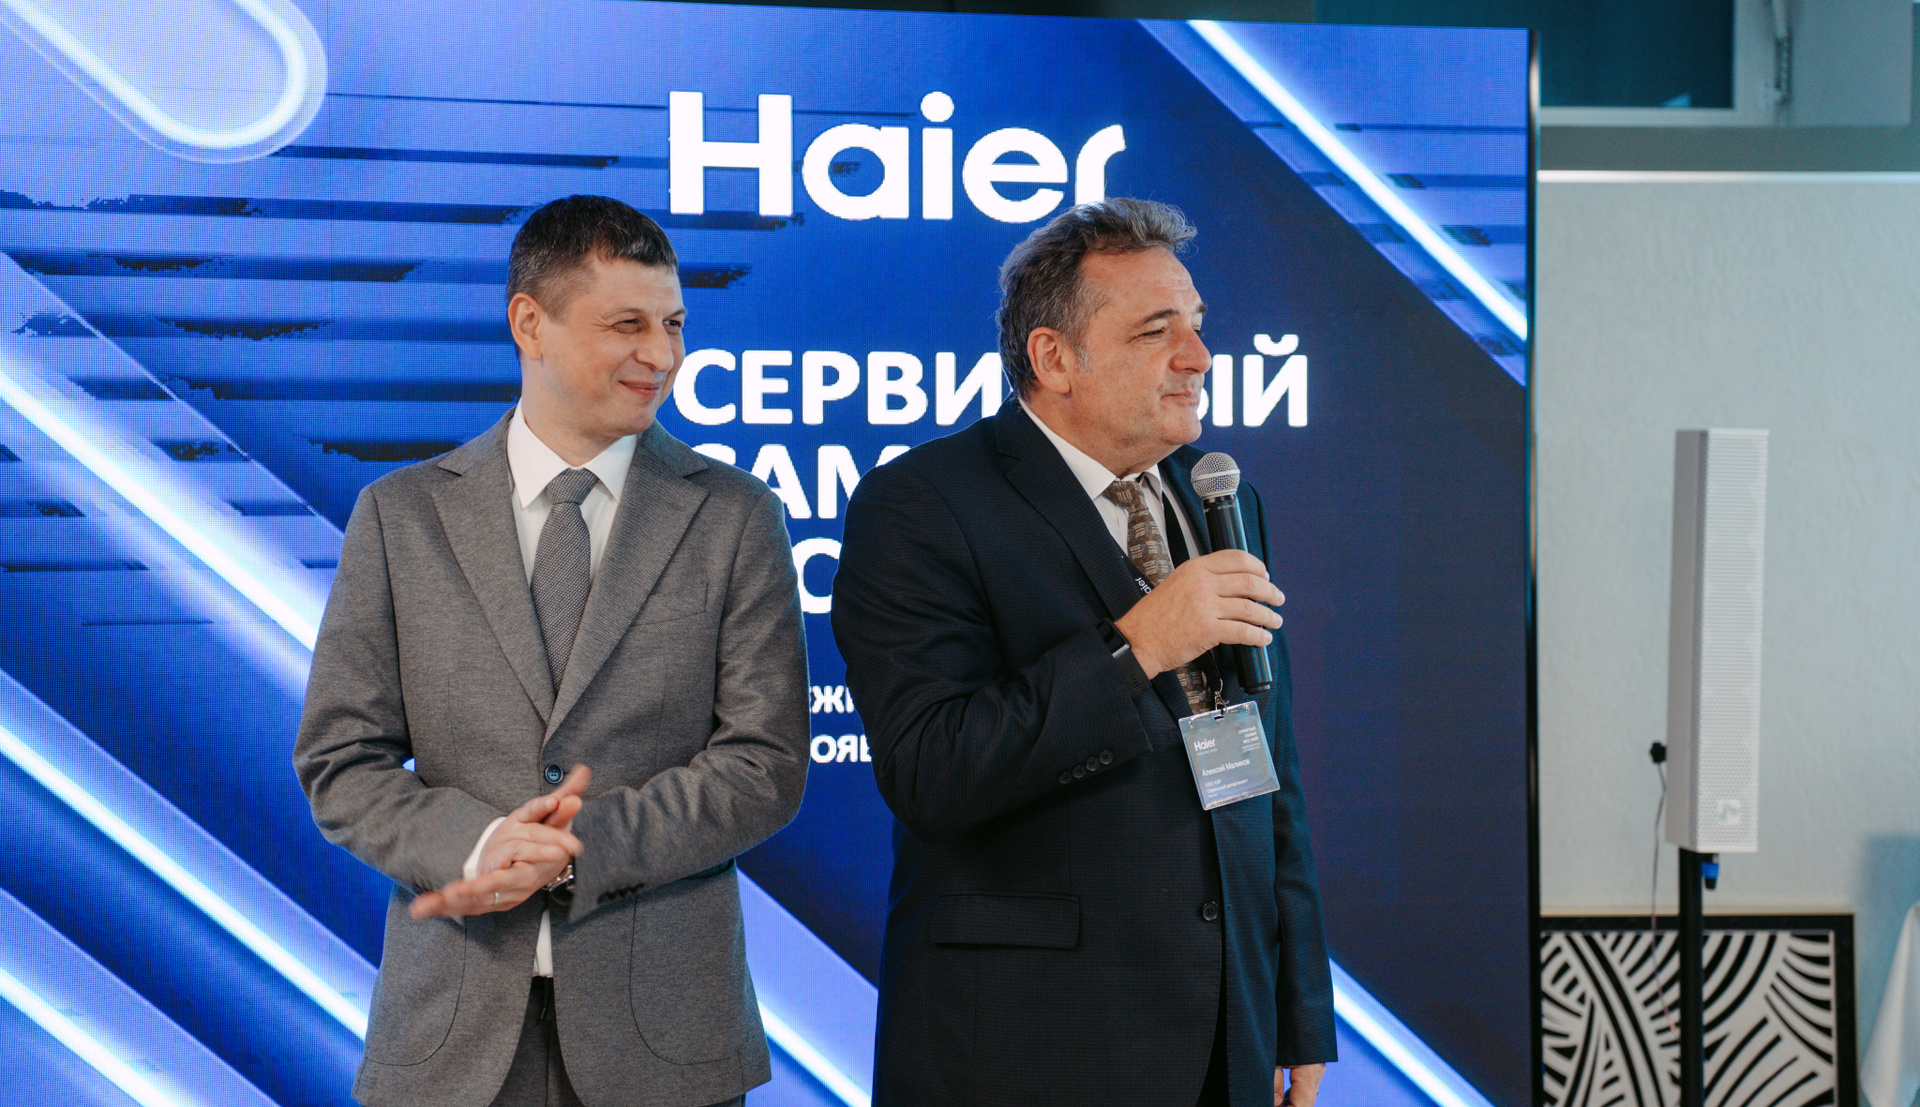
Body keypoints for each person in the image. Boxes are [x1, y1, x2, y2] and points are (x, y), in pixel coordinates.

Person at [294, 195, 810, 1107]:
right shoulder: (402, 518)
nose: (663, 355)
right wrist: (479, 843)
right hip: (448, 1043)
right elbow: (342, 762)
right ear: (530, 323)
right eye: (627, 325)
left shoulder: (735, 517)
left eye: (674, 324)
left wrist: (575, 850)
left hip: (668, 1044)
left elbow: (763, 764)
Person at [832, 198, 1336, 1107]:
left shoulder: (1221, 499)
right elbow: (933, 768)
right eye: (1156, 330)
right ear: (1054, 358)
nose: (1198, 355)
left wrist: (1294, 1006)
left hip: (1224, 1036)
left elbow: (1270, 770)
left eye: (1197, 324)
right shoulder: (921, 505)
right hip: (1029, 1045)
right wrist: (1138, 645)